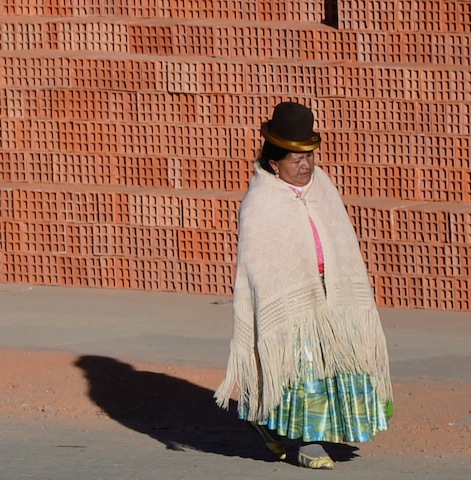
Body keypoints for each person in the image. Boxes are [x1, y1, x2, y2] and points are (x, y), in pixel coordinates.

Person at [214, 101, 393, 469]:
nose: (306, 165)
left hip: (333, 294)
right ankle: (309, 442)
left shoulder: (322, 186)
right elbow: (260, 266)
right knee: (304, 368)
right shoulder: (261, 201)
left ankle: (271, 424)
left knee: (335, 365)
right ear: (273, 163)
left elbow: (341, 242)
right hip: (293, 304)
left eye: (310, 156)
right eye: (296, 159)